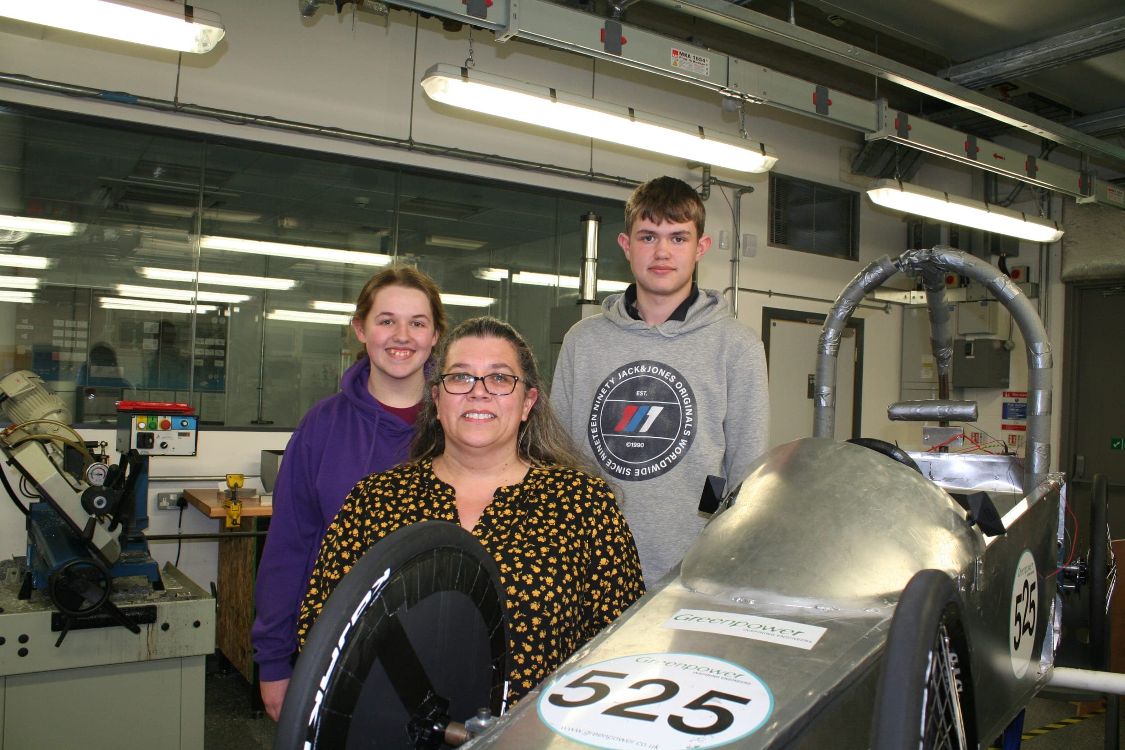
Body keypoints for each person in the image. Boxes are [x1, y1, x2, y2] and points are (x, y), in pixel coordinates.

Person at [296, 316, 644, 703]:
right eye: (460, 378)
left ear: (527, 401)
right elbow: (322, 631)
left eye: (499, 378)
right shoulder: (374, 501)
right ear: (436, 399)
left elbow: (623, 645)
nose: (478, 392)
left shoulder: (583, 504)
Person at [252, 266, 448, 721]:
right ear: (360, 329)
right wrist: (274, 662)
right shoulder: (322, 427)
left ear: (436, 334)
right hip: (340, 647)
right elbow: (288, 550)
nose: (402, 336)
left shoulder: (461, 422)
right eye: (386, 321)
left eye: (418, 322)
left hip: (442, 643)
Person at [551, 176, 769, 584]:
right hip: (589, 567)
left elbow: (747, 476)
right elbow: (557, 458)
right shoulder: (583, 341)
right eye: (648, 237)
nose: (663, 252)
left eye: (678, 238)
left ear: (700, 248)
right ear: (626, 246)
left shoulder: (736, 346)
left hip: (691, 573)